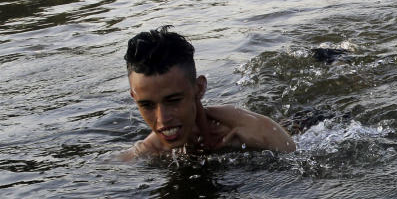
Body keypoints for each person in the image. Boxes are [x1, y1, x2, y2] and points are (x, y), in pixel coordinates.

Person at [120, 27, 295, 160]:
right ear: (134, 98)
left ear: (199, 88)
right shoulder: (146, 152)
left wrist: (270, 132)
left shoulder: (245, 130)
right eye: (147, 105)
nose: (163, 119)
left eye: (173, 101)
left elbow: (294, 151)